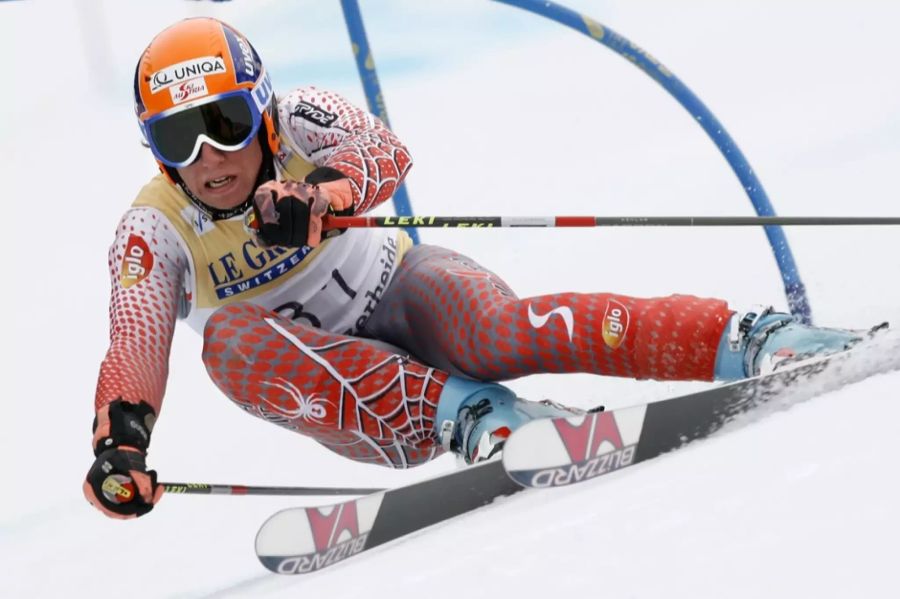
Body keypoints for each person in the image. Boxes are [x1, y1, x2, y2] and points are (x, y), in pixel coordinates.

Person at [84, 17, 865, 519]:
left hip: (402, 288)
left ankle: (751, 338)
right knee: (229, 342)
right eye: (178, 137)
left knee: (501, 331)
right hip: (352, 399)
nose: (209, 157)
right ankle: (482, 420)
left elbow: (383, 150)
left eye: (224, 123)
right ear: (153, 147)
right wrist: (121, 450)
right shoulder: (153, 230)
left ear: (260, 108)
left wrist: (322, 194)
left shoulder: (302, 118)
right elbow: (133, 346)